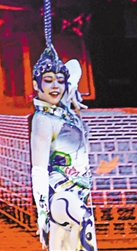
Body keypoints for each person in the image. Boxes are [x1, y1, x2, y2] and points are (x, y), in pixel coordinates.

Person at [29, 51, 96, 251]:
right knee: (85, 225)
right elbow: (38, 169)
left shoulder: (63, 108)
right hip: (60, 195)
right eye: (48, 80)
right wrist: (42, 213)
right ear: (36, 85)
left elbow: (74, 66)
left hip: (80, 193)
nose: (55, 86)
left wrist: (71, 87)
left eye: (60, 81)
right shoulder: (43, 119)